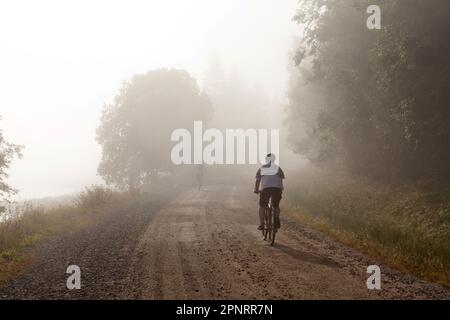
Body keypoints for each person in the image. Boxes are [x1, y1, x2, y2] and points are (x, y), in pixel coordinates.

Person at [253, 153, 285, 231]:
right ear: (274, 159)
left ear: (266, 160)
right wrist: (280, 188)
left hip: (266, 188)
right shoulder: (278, 168)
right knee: (276, 205)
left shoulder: (262, 168)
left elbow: (258, 180)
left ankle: (261, 224)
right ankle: (276, 218)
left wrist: (256, 190)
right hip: (277, 189)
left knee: (262, 206)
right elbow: (282, 177)